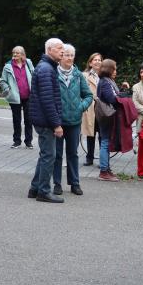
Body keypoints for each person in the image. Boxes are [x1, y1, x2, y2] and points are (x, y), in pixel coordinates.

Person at [53, 43, 92, 196]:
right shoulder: (53, 73)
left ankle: (75, 183)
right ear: (61, 56)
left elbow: (88, 95)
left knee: (73, 154)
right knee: (56, 154)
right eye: (66, 55)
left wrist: (80, 107)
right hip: (57, 121)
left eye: (71, 55)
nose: (69, 58)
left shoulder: (78, 75)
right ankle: (57, 184)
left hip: (74, 121)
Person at [28, 37, 65, 203]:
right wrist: (56, 124)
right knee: (49, 155)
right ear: (49, 50)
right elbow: (47, 100)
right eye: (59, 48)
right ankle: (43, 191)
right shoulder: (46, 69)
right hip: (45, 121)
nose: (62, 51)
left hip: (43, 119)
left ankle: (35, 188)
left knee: (45, 155)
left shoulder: (47, 67)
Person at [0, 45, 34, 149]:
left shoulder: (28, 63)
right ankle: (17, 141)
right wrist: (7, 89)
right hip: (15, 97)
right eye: (14, 53)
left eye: (17, 53)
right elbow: (3, 81)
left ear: (22, 54)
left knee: (29, 120)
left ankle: (28, 142)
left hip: (28, 96)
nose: (15, 55)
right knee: (16, 119)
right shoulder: (8, 66)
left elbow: (34, 75)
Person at [96, 58, 124, 181]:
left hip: (107, 115)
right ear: (109, 69)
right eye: (114, 68)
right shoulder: (105, 82)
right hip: (107, 115)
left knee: (105, 141)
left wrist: (120, 92)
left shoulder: (107, 81)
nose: (115, 71)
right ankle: (103, 171)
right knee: (105, 142)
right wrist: (122, 96)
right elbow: (112, 99)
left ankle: (106, 168)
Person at [81, 52, 102, 166]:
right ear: (90, 62)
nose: (98, 62)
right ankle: (89, 158)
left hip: (102, 108)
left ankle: (103, 159)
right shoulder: (84, 75)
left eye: (99, 60)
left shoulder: (105, 75)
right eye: (95, 60)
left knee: (102, 135)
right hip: (90, 107)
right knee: (91, 134)